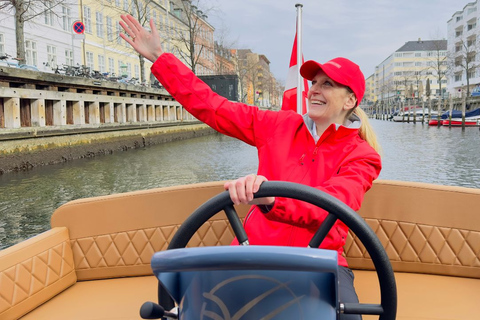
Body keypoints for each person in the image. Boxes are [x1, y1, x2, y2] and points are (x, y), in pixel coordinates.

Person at [120, 14, 381, 320]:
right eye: (313, 83)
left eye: (327, 84)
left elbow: (335, 206)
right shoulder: (278, 126)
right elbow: (213, 106)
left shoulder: (362, 155)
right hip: (253, 253)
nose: (314, 90)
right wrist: (160, 59)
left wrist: (272, 199)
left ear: (350, 99)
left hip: (321, 262)